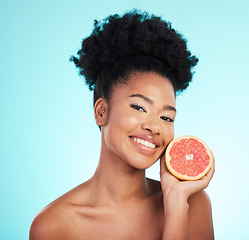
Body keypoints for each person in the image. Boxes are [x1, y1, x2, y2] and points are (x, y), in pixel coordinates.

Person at [29, 9, 215, 240]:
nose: (155, 127)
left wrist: (176, 203)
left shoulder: (192, 203)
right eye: (138, 107)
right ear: (101, 112)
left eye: (166, 117)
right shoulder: (54, 226)